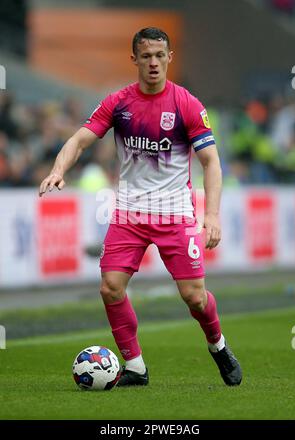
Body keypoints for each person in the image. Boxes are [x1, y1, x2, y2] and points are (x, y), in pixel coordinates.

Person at [39, 27, 242, 387]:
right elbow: (79, 140)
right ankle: (135, 366)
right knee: (110, 287)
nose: (153, 63)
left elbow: (211, 162)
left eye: (159, 56)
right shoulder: (118, 102)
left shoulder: (186, 104)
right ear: (134, 59)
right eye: (146, 56)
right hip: (130, 214)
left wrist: (210, 216)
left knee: (194, 298)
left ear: (169, 58)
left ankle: (218, 345)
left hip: (176, 214)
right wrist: (58, 169)